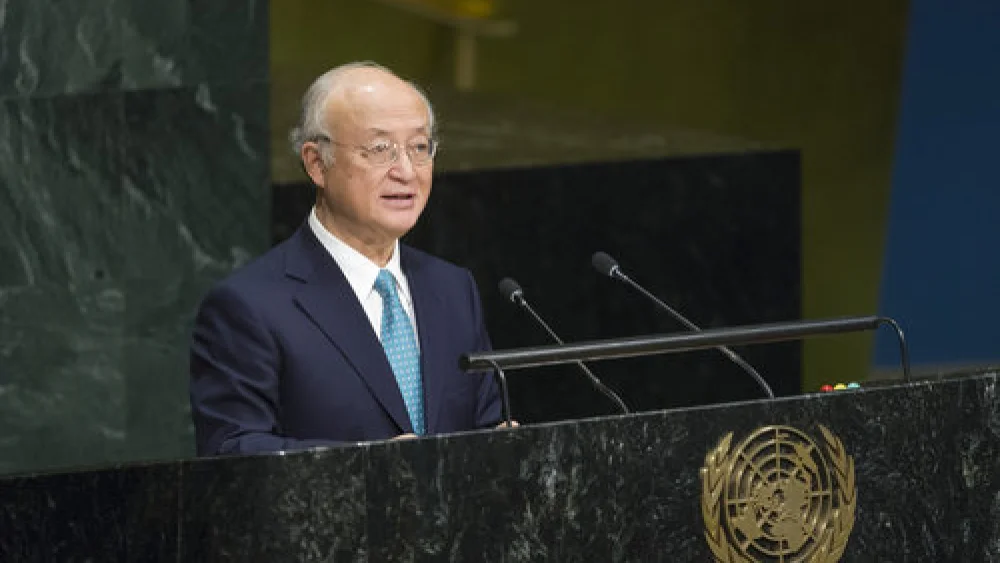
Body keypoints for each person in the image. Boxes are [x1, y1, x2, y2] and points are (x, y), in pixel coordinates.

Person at [189, 61, 504, 456]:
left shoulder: (453, 288)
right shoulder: (250, 307)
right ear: (317, 163)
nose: (406, 171)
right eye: (379, 149)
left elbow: (485, 424)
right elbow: (232, 450)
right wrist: (368, 464)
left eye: (419, 147)